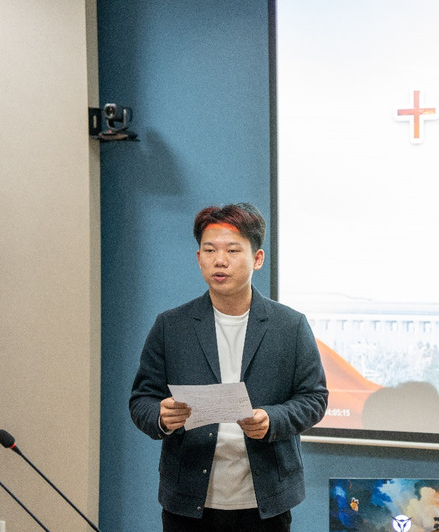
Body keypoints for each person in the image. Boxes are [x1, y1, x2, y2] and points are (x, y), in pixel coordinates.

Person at [130, 203, 328, 531]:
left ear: (257, 258)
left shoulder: (290, 326)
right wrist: (161, 417)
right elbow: (141, 400)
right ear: (199, 258)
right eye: (210, 250)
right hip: (188, 499)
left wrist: (272, 420)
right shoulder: (171, 326)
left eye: (233, 250)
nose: (220, 260)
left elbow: (314, 398)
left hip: (265, 502)